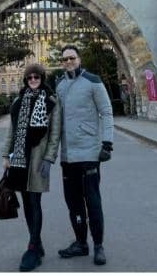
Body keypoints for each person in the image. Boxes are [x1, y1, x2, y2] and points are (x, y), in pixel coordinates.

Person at [55, 45, 114, 266]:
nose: (68, 61)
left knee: (93, 201)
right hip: (68, 155)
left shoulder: (93, 81)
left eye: (72, 57)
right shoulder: (59, 85)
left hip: (89, 152)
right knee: (73, 202)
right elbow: (56, 121)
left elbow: (106, 112)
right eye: (64, 59)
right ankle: (81, 243)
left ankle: (98, 245)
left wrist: (107, 144)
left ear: (79, 59)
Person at [2, 62, 62, 272]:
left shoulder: (51, 102)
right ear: (26, 80)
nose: (33, 81)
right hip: (19, 159)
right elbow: (12, 131)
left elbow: (55, 134)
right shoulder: (19, 101)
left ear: (42, 79)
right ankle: (37, 243)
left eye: (37, 77)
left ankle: (32, 248)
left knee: (34, 201)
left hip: (37, 160)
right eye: (30, 78)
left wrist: (49, 159)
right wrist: (5, 154)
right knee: (27, 202)